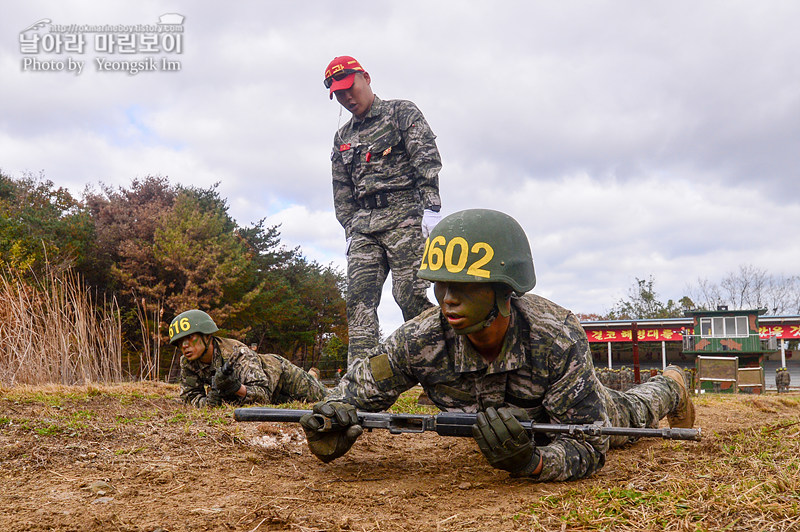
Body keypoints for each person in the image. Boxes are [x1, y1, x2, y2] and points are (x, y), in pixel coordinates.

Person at [299, 209, 696, 482]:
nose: (448, 298)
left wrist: (534, 463)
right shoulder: (418, 340)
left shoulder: (556, 337)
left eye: (465, 286)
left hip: (560, 414)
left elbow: (589, 445)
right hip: (513, 424)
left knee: (628, 414)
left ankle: (671, 385)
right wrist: (331, 423)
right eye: (441, 283)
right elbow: (351, 397)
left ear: (505, 292)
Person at [324, 55, 443, 368]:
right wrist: (350, 229)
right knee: (359, 301)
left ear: (366, 77)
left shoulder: (401, 112)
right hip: (364, 226)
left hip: (405, 217)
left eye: (350, 87)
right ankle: (359, 382)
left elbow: (426, 160)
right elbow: (342, 190)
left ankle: (441, 375)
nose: (347, 97)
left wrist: (431, 210)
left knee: (410, 296)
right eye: (338, 93)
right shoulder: (342, 138)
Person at [169, 309, 328, 407]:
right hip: (267, 396)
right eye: (179, 342)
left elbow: (263, 395)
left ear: (207, 336)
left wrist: (235, 387)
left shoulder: (238, 354)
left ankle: (312, 375)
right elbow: (190, 397)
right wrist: (208, 403)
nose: (184, 346)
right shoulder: (188, 362)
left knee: (323, 396)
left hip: (283, 376)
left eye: (190, 338)